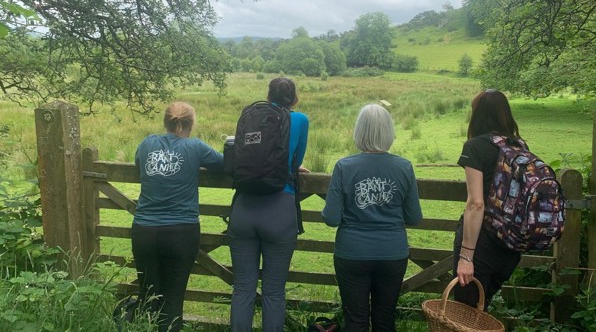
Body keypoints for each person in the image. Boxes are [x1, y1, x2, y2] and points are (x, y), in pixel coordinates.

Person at [322, 104, 423, 332]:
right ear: (389, 131)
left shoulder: (344, 167)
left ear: (359, 131)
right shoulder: (404, 167)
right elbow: (414, 217)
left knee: (355, 320)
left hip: (352, 252)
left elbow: (331, 218)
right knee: (384, 319)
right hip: (392, 252)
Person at [132, 101, 224, 332]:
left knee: (148, 294)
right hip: (181, 231)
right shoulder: (195, 147)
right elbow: (225, 164)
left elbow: (137, 163)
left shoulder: (146, 143)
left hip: (144, 229)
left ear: (166, 122)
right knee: (173, 297)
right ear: (190, 124)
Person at [228, 77, 309, 332]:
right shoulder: (299, 120)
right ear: (294, 98)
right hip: (279, 208)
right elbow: (296, 159)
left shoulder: (251, 115)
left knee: (242, 288)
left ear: (268, 94)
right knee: (274, 291)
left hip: (243, 208)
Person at [453, 89, 523, 310]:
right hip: (510, 245)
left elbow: (476, 203)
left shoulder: (475, 147)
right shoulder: (519, 146)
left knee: (466, 313)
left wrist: (466, 257)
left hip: (481, 243)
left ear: (477, 115)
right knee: (481, 309)